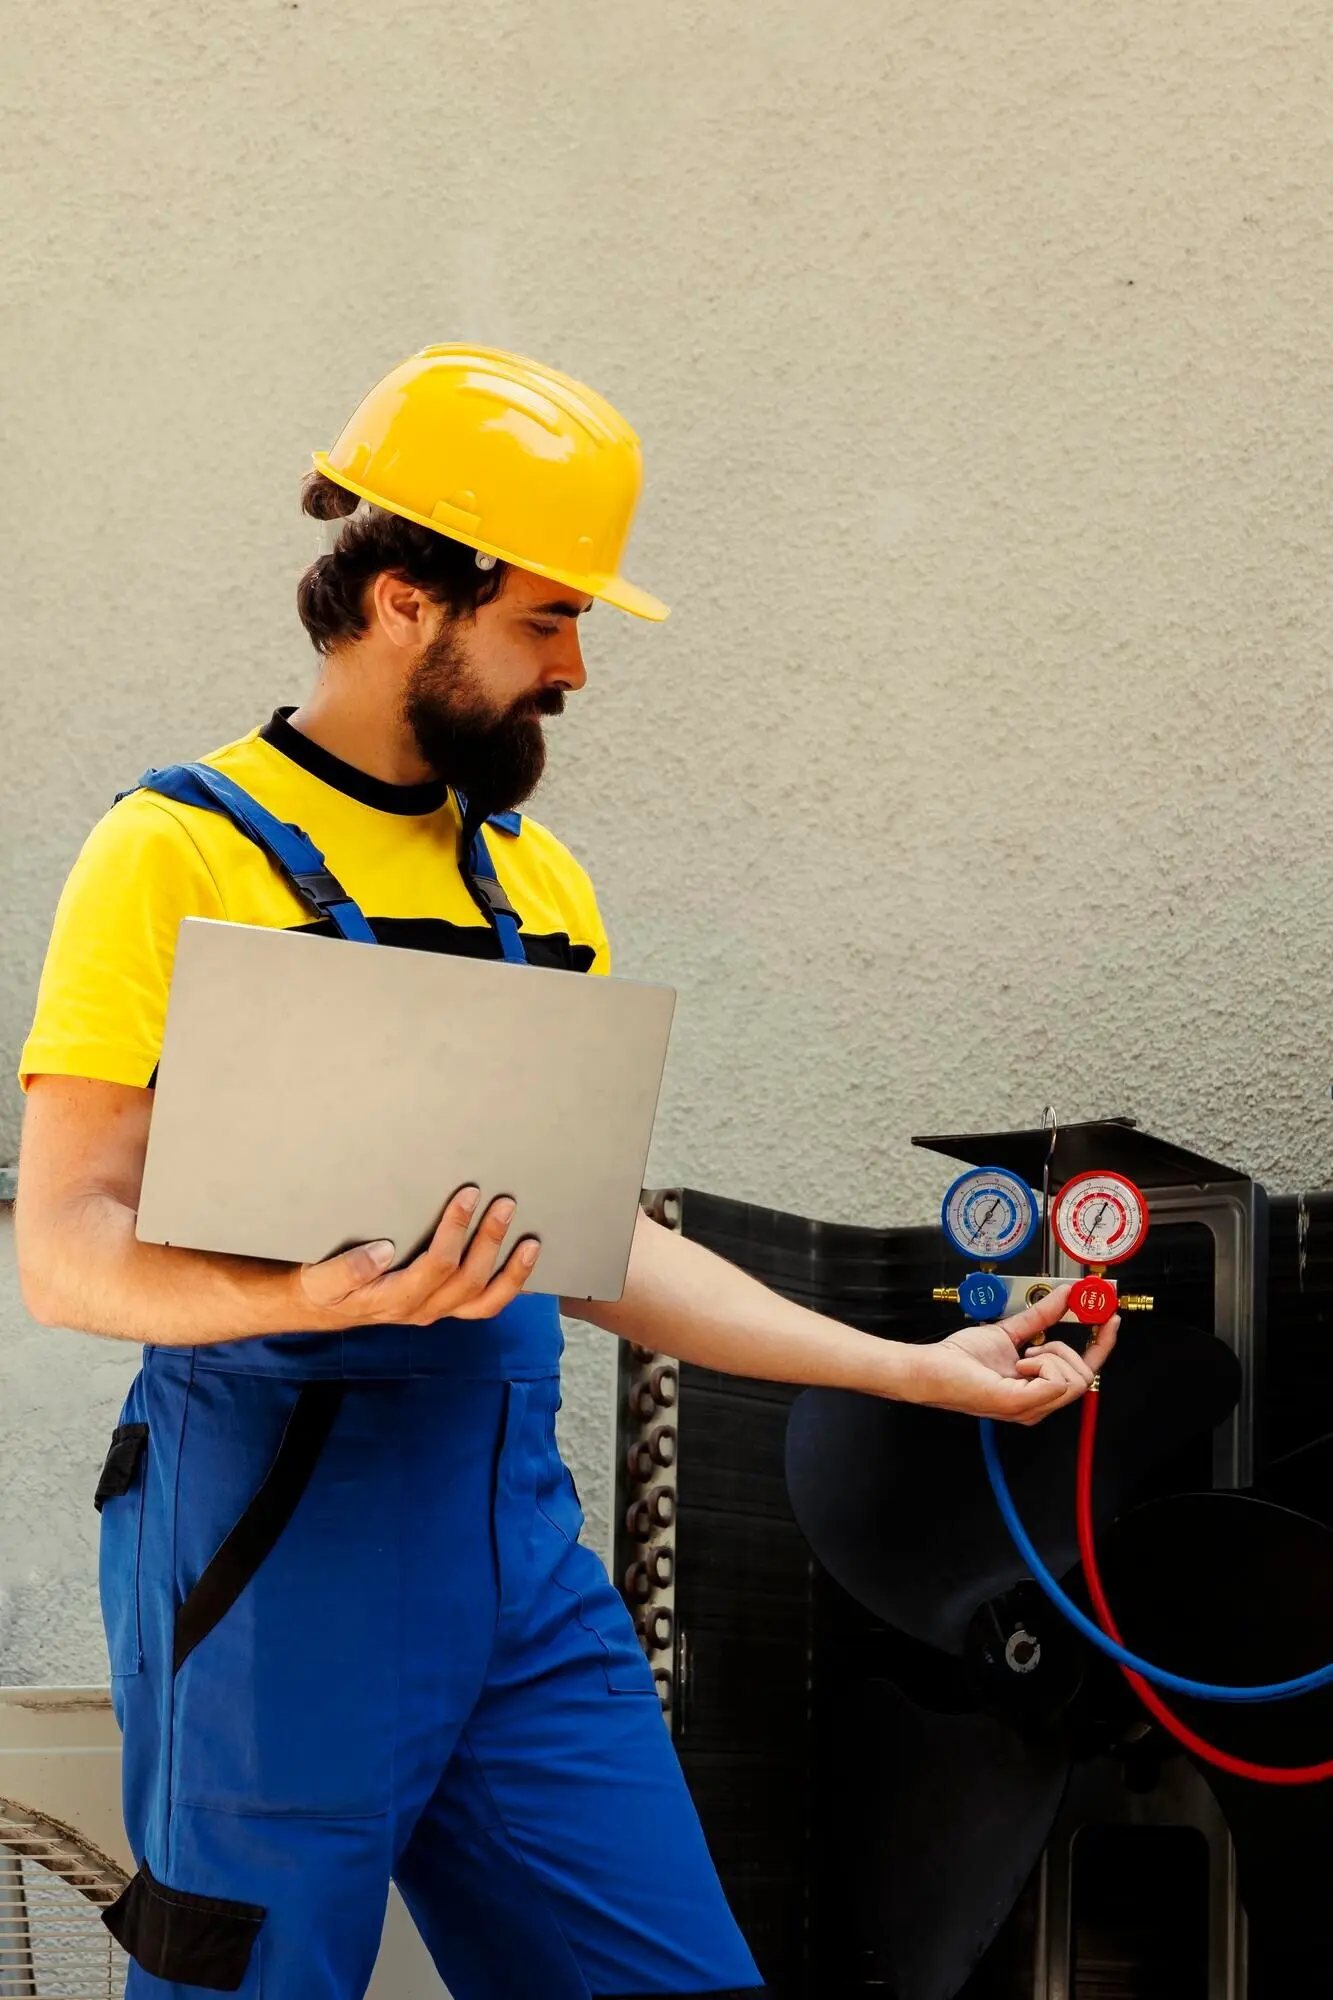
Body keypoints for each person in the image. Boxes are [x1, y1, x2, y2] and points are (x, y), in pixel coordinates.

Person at [14, 345, 1116, 2000]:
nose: (577, 668)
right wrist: (294, 1295)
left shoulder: (544, 887)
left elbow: (593, 1249)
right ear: (405, 601)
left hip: (516, 1557)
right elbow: (67, 1245)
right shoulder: (177, 851)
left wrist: (912, 1369)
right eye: (546, 619)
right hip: (275, 1546)